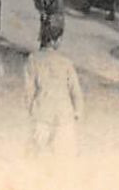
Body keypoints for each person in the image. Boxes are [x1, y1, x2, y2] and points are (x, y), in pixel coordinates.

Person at [22, 26, 84, 156]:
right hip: (64, 115)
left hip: (42, 113)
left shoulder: (33, 60)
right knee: (64, 159)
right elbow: (75, 91)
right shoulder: (66, 62)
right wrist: (77, 112)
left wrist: (30, 110)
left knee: (37, 157)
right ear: (57, 41)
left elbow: (29, 91)